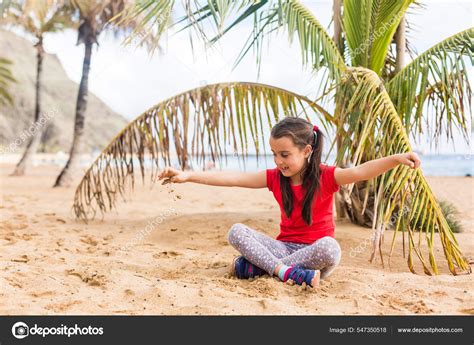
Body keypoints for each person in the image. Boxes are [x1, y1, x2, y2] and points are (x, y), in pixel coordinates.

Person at [157, 117, 421, 288]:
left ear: (306, 151)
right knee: (236, 231)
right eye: (274, 154)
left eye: (284, 154)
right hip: (282, 249)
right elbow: (234, 177)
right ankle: (284, 273)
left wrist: (395, 159)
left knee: (331, 248)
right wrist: (189, 175)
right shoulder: (275, 178)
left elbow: (362, 171)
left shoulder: (328, 176)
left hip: (314, 255)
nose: (278, 161)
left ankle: (261, 268)